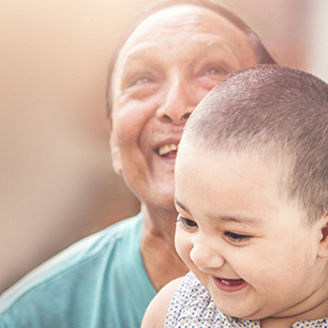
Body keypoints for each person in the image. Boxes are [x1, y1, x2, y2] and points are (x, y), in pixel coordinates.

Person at [0, 1, 275, 327]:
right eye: (143, 78)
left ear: (281, 115)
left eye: (212, 70)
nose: (175, 106)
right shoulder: (31, 317)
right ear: (114, 140)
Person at [141, 64, 328, 328]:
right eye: (188, 221)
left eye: (235, 235)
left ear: (324, 233)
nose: (201, 256)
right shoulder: (173, 312)